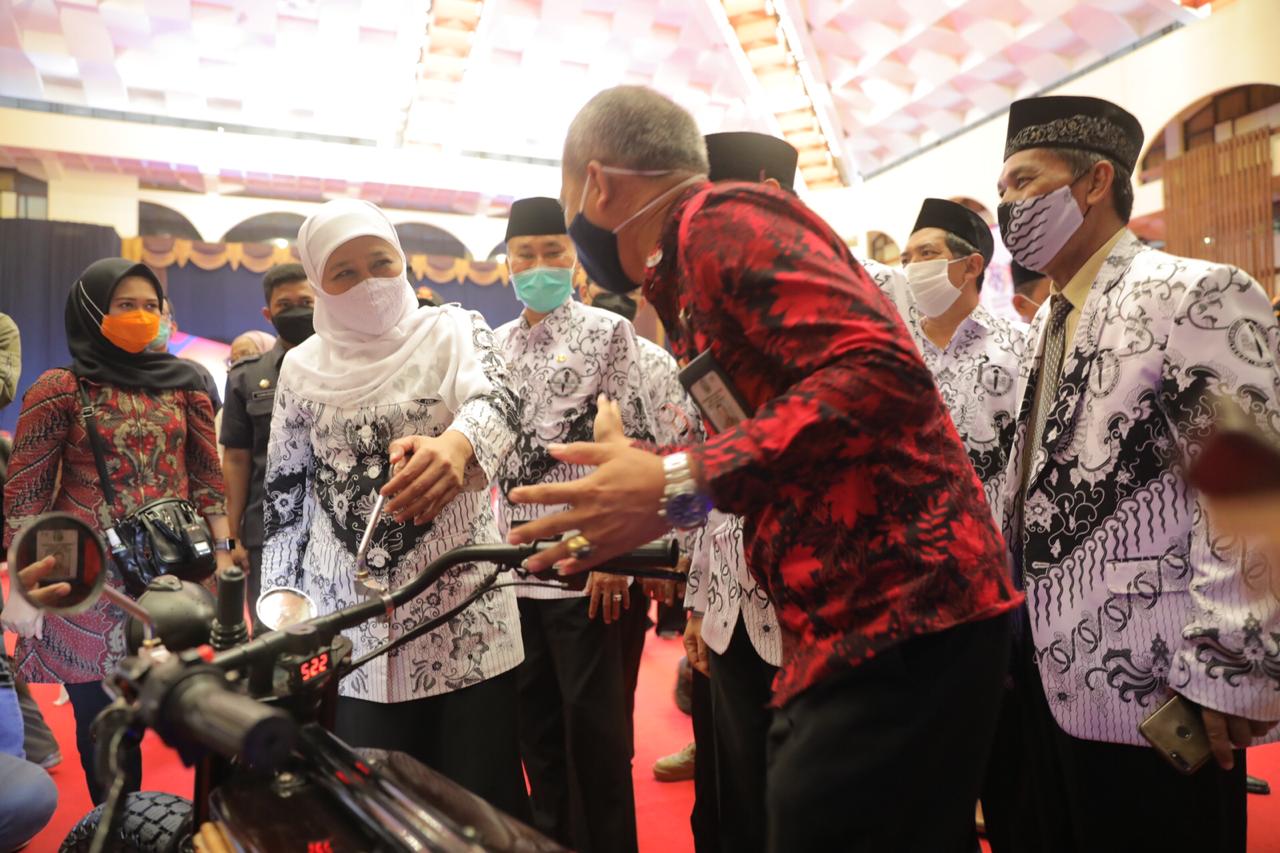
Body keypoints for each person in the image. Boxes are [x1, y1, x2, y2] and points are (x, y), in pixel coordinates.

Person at [508, 85, 1021, 852]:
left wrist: (676, 481)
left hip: (907, 611)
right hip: (863, 619)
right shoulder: (686, 264)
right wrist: (654, 488)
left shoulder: (721, 223)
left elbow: (880, 374)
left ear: (597, 184)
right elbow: (766, 453)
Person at [987, 94, 1280, 852]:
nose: (1007, 203)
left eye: (1023, 181)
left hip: (1153, 692)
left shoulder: (1193, 293)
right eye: (1002, 188)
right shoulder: (1046, 322)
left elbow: (1248, 493)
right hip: (1038, 681)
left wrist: (1227, 663)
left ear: (1093, 182)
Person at [259, 199, 529, 818]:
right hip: (353, 635)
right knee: (372, 810)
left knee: (477, 809)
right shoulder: (301, 369)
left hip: (466, 621)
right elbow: (283, 494)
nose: (370, 285)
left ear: (402, 262)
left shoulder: (453, 331)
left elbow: (504, 401)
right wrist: (279, 599)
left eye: (381, 263)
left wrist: (458, 445)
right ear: (318, 285)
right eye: (345, 272)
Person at [2, 258, 233, 804]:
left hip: (180, 577)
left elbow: (208, 477)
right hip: (91, 585)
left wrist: (225, 554)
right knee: (103, 729)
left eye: (150, 306)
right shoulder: (60, 388)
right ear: (92, 310)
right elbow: (27, 497)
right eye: (124, 305)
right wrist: (23, 584)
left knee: (197, 714)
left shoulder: (187, 385)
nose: (141, 316)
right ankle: (118, 829)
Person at [493, 197, 655, 853]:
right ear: (507, 264)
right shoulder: (493, 344)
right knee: (534, 741)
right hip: (508, 574)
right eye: (525, 255)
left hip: (586, 567)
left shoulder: (607, 334)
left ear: (574, 262)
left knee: (596, 741)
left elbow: (635, 440)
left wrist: (618, 552)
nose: (539, 266)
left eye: (552, 252)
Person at [899, 198, 1025, 511]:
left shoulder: (1020, 346)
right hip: (916, 542)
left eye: (927, 253)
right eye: (906, 260)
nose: (912, 268)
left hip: (1000, 542)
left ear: (971, 265)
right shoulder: (895, 352)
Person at [221, 264, 313, 631]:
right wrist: (232, 537)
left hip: (338, 532)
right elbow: (237, 460)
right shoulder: (245, 377)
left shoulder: (351, 368)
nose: (297, 310)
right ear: (268, 313)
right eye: (285, 303)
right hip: (269, 534)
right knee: (273, 640)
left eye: (306, 301)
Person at [150, 300, 222, 413]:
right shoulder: (118, 372)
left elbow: (217, 421)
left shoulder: (195, 374)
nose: (151, 320)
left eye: (159, 313)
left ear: (172, 328)